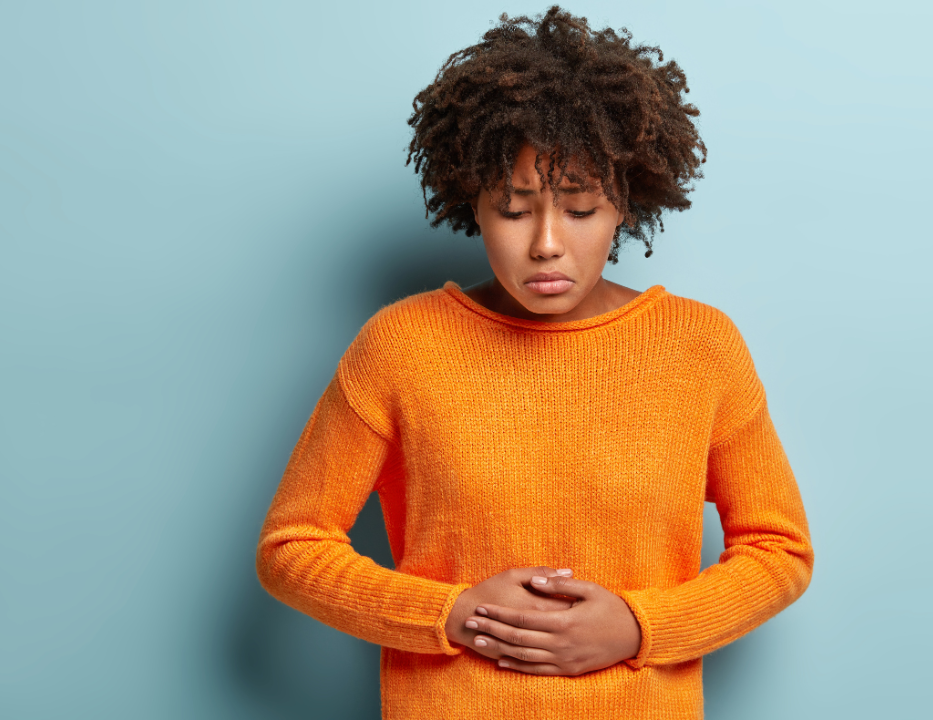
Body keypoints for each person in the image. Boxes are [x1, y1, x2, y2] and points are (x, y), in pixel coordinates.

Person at [255, 6, 813, 718]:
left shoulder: (699, 348)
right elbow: (291, 547)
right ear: (473, 205)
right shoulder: (401, 346)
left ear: (626, 206)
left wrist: (641, 629)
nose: (547, 243)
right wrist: (452, 615)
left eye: (580, 210)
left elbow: (779, 549)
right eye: (514, 210)